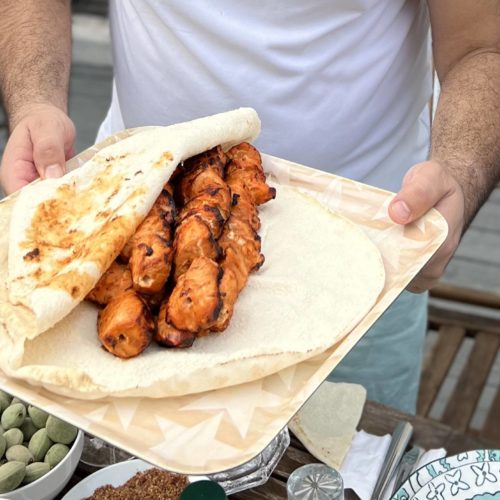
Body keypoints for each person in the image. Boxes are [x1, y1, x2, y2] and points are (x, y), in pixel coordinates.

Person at [0, 1, 499, 413]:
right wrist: (35, 102)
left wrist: (458, 171)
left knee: (353, 463)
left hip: (376, 238)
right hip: (123, 222)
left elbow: (483, 44)